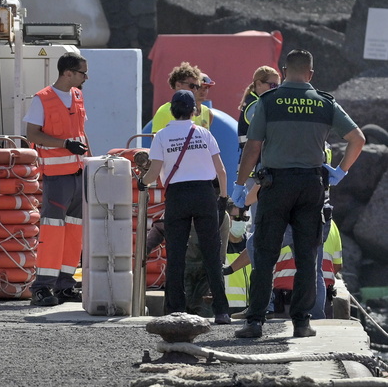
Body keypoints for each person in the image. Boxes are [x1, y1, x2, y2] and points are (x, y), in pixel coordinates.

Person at [235, 49, 365, 339]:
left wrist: (240, 185)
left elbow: (253, 148)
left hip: (275, 185)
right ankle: (302, 322)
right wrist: (340, 171)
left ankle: (255, 322)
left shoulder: (268, 101)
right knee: (307, 257)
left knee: (265, 255)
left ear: (284, 71)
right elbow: (358, 139)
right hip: (311, 186)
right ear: (311, 73)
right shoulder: (325, 103)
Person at [143, 89, 231, 325]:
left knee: (176, 254)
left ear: (172, 110)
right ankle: (222, 311)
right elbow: (221, 171)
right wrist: (223, 197)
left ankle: (175, 309)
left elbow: (153, 172)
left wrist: (142, 183)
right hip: (204, 194)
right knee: (212, 255)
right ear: (194, 111)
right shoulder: (204, 134)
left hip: (177, 195)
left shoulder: (161, 136)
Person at [24, 52, 91, 307]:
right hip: (57, 177)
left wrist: (89, 162)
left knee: (74, 232)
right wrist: (64, 144)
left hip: (78, 175)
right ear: (68, 73)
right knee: (52, 232)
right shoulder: (42, 99)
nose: (86, 77)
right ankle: (41, 287)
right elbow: (32, 135)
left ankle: (65, 285)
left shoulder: (77, 96)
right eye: (83, 73)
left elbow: (81, 133)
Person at [150, 62, 211, 133]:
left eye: (197, 87)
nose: (195, 90)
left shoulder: (206, 111)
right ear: (178, 85)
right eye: (192, 86)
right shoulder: (164, 112)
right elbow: (156, 138)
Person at [237, 66, 281, 150]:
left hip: (255, 154)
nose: (276, 90)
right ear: (259, 84)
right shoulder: (255, 105)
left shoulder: (259, 101)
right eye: (272, 85)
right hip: (253, 156)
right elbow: (267, 130)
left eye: (278, 87)